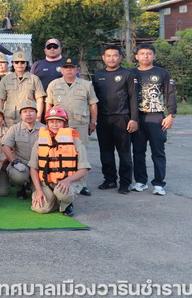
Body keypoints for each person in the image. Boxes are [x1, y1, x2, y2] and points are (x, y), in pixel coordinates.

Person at [45, 57, 98, 196]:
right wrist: (48, 121)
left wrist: (93, 122)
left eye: (72, 68)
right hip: (60, 126)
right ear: (61, 70)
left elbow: (93, 104)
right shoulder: (54, 84)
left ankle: (82, 185)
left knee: (81, 154)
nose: (69, 70)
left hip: (80, 124)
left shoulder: (86, 85)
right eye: (66, 68)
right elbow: (49, 104)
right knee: (61, 153)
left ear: (77, 69)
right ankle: (60, 180)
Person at [131, 43, 176, 195]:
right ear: (136, 56)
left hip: (156, 116)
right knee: (138, 151)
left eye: (149, 53)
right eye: (142, 53)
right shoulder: (131, 74)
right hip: (137, 117)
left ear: (154, 56)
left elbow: (170, 94)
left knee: (158, 151)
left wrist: (171, 115)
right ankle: (140, 181)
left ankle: (158, 184)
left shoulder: (162, 73)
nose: (146, 56)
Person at [29, 107, 91, 217]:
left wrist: (67, 180)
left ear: (65, 123)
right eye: (51, 122)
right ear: (47, 124)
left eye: (58, 121)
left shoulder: (76, 143)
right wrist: (38, 190)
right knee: (40, 208)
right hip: (47, 182)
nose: (55, 124)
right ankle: (53, 201)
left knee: (62, 193)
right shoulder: (39, 143)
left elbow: (83, 170)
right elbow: (33, 168)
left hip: (69, 180)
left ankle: (66, 203)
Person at [92, 45, 138, 194]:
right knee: (105, 152)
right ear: (103, 58)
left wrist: (134, 119)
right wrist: (93, 120)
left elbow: (133, 97)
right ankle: (110, 179)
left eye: (115, 55)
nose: (111, 58)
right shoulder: (98, 75)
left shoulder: (127, 74)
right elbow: (93, 100)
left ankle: (125, 182)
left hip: (122, 118)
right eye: (108, 56)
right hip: (103, 119)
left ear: (120, 57)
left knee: (124, 153)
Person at [0, 99, 44, 200]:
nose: (28, 114)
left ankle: (32, 185)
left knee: (40, 193)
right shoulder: (14, 129)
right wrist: (14, 162)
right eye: (25, 111)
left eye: (31, 111)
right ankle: (20, 188)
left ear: (36, 113)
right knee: (18, 176)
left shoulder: (44, 129)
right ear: (20, 115)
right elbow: (6, 147)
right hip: (21, 164)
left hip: (38, 165)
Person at [0, 51, 45, 127]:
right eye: (17, 62)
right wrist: (0, 117)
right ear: (13, 63)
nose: (19, 64)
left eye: (22, 62)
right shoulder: (5, 80)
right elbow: (0, 100)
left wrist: (38, 117)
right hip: (10, 119)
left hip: (29, 118)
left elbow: (39, 100)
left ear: (26, 64)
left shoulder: (34, 79)